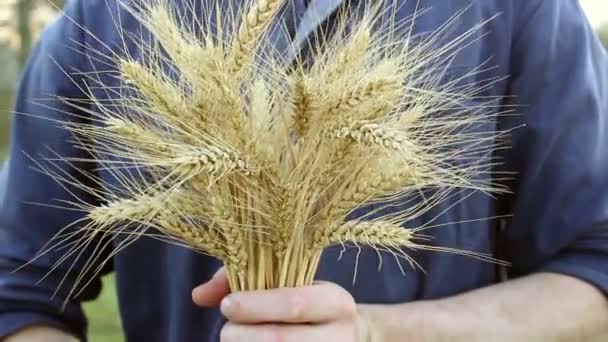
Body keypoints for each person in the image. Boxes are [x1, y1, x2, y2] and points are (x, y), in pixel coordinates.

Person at [2, 0, 608, 341]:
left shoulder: (522, 12)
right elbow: (17, 294)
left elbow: (595, 270)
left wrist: (372, 332)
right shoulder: (101, 22)